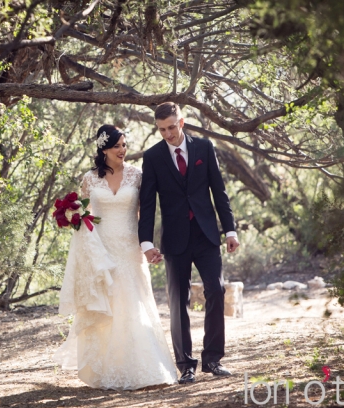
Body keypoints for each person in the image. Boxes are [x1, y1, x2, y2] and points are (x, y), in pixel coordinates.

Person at [53, 125, 178, 390]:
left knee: (132, 303)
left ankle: (144, 368)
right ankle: (107, 370)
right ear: (104, 150)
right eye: (116, 146)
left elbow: (146, 213)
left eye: (124, 145)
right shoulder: (89, 179)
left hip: (129, 248)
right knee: (107, 306)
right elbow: (82, 212)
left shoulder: (137, 175)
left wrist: (147, 245)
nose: (122, 150)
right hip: (101, 250)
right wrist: (71, 217)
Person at [138, 102, 240, 384]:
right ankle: (185, 365)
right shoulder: (153, 157)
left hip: (206, 234)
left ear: (181, 122)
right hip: (174, 238)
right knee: (177, 301)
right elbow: (148, 203)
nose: (168, 134)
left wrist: (230, 231)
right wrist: (146, 243)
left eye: (171, 127)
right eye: (162, 130)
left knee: (216, 290)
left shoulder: (204, 148)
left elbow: (219, 191)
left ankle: (213, 359)